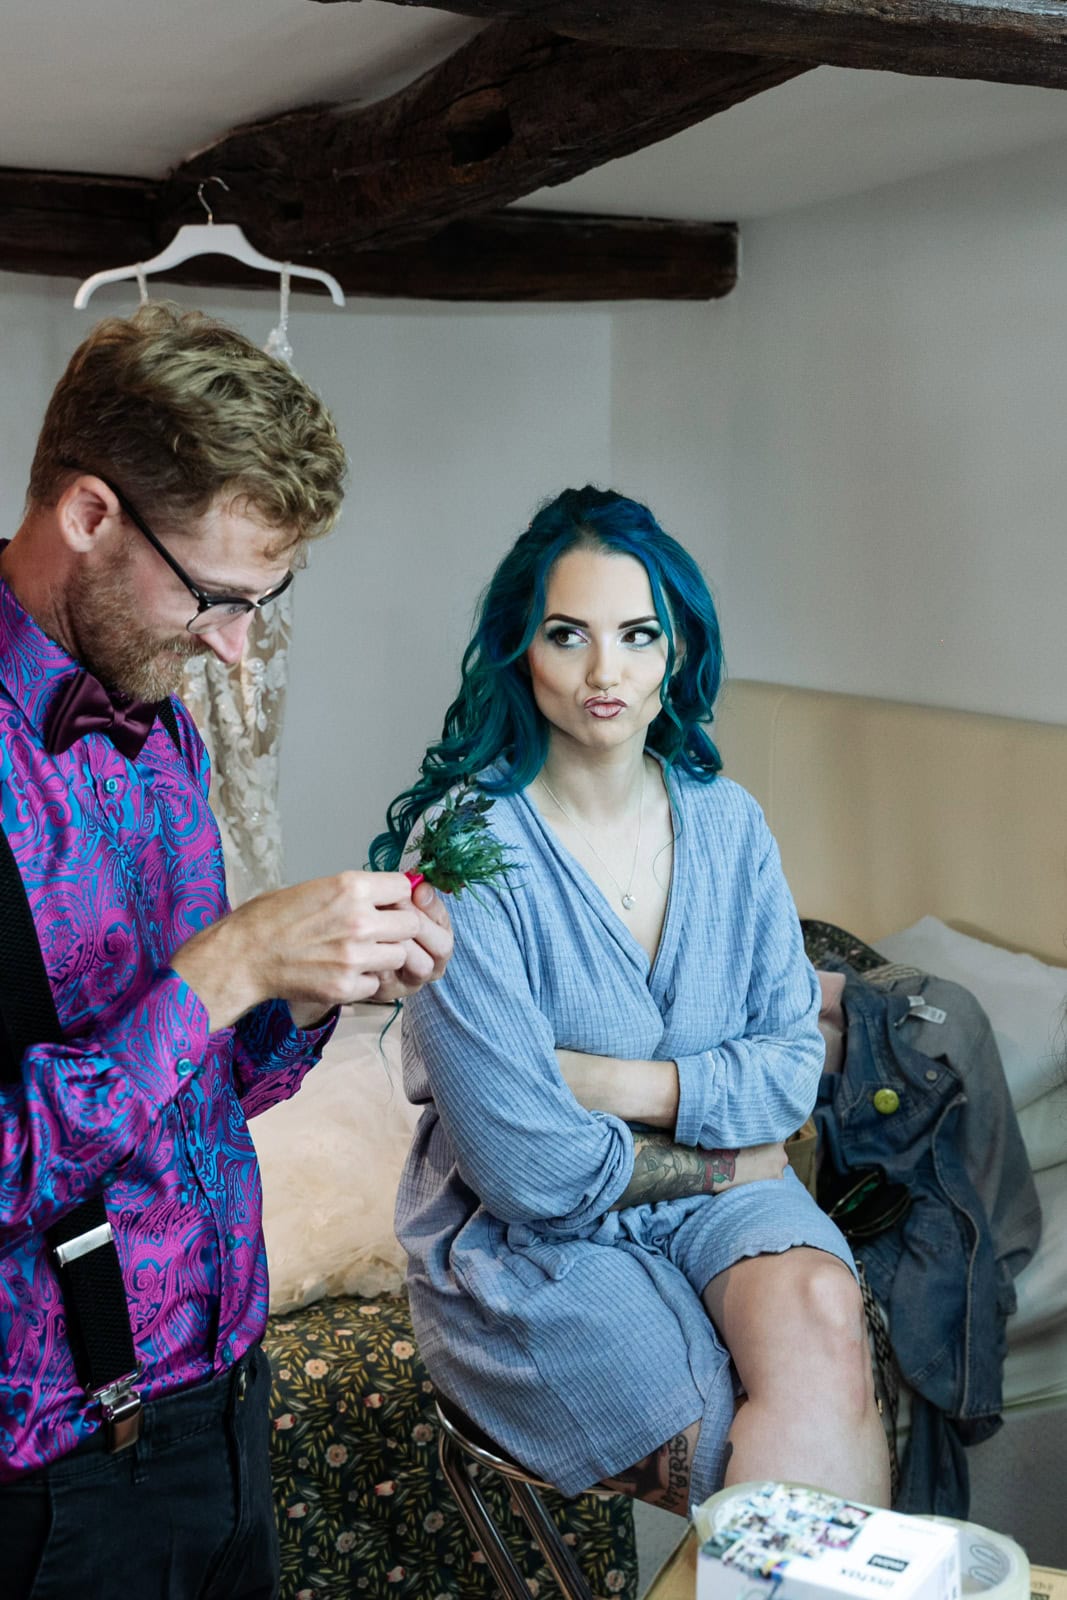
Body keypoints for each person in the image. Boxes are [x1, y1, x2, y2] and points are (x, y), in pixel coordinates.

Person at [0, 303, 452, 1598]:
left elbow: (196, 1089)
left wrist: (304, 990)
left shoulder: (160, 727)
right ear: (90, 514)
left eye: (263, 603)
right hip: (51, 1482)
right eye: (214, 596)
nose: (232, 645)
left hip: (225, 1416)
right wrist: (226, 967)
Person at [373, 486, 889, 1516]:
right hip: (533, 1242)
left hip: (721, 1207)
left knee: (823, 1318)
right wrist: (722, 1152)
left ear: (676, 650)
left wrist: (607, 1082)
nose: (604, 673)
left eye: (637, 635)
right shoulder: (464, 851)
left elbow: (789, 1072)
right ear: (521, 650)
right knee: (727, 1441)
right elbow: (528, 1168)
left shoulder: (729, 825)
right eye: (567, 634)